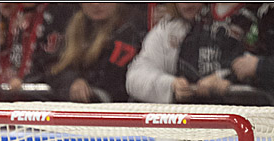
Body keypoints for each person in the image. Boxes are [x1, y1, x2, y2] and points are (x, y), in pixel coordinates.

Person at [126, 3, 257, 104]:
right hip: (188, 119)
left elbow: (262, 66)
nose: (186, 3)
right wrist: (171, 84)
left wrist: (226, 80)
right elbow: (135, 77)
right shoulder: (168, 28)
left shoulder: (248, 19)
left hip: (240, 114)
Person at [42, 3, 145, 103]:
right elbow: (55, 68)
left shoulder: (133, 31)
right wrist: (72, 83)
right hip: (76, 105)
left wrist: (91, 91)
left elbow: (117, 84)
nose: (96, 4)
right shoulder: (68, 24)